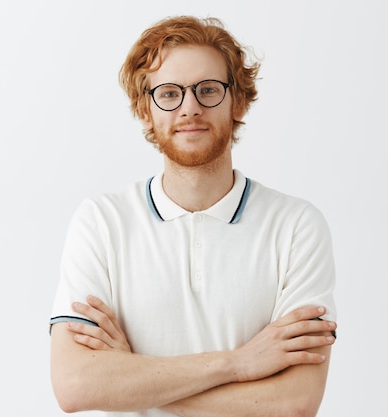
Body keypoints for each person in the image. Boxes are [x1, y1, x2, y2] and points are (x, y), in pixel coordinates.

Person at [48, 15, 337, 417]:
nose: (190, 108)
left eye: (208, 90)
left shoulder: (296, 226)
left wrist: (132, 378)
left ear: (237, 101)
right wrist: (238, 363)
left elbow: (294, 403)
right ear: (145, 109)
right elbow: (76, 386)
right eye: (169, 93)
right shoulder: (101, 221)